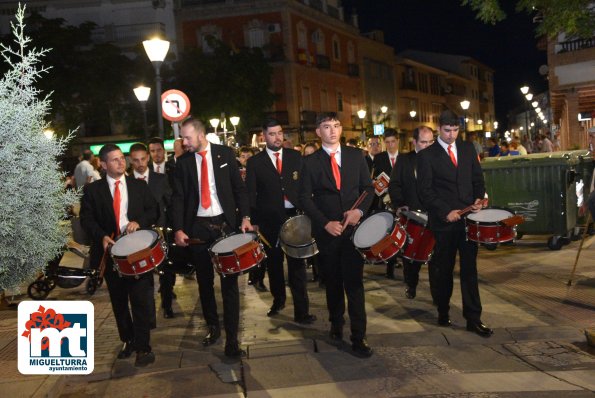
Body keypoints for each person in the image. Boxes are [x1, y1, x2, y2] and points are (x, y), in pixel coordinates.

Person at [171, 117, 253, 358]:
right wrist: (178, 228)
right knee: (204, 282)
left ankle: (232, 340)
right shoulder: (183, 162)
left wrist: (245, 217)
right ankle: (213, 327)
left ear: (200, 134)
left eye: (186, 137)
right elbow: (178, 198)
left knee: (229, 283)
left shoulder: (225, 154)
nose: (184, 142)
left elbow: (239, 189)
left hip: (225, 224)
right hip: (197, 228)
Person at [299, 112, 374, 357]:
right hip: (328, 232)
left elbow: (368, 189)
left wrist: (359, 212)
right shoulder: (310, 162)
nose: (332, 130)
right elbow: (304, 199)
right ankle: (335, 323)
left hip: (353, 231)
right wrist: (324, 224)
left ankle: (359, 336)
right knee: (332, 282)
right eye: (326, 127)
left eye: (336, 126)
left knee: (354, 283)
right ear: (318, 132)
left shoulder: (355, 156)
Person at [80, 144, 159, 367]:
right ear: (103, 165)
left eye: (121, 159)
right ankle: (128, 340)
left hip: (136, 250)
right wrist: (102, 236)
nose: (120, 162)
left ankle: (144, 347)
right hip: (110, 252)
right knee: (119, 301)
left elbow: (154, 210)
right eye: (114, 160)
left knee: (141, 298)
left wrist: (139, 222)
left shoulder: (138, 186)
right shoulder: (93, 191)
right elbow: (87, 219)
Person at [417, 110, 493, 337]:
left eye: (455, 130)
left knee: (470, 270)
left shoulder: (468, 149)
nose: (451, 135)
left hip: (468, 220)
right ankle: (442, 309)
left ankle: (474, 318)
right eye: (447, 130)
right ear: (439, 129)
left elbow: (477, 179)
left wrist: (479, 199)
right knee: (444, 270)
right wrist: (444, 211)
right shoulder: (426, 155)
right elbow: (425, 191)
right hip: (444, 222)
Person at [246, 118, 316, 324]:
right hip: (269, 221)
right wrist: (254, 220)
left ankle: (302, 311)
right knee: (274, 264)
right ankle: (278, 300)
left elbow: (305, 187)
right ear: (263, 136)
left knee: (297, 265)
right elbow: (251, 194)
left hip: (294, 217)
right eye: (272, 134)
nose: (277, 138)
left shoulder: (296, 157)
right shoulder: (255, 163)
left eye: (279, 133)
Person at [388, 126, 436, 300]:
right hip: (413, 215)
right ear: (414, 142)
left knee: (435, 258)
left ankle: (437, 294)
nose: (428, 145)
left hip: (435, 215)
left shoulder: (438, 159)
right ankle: (411, 284)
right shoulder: (405, 160)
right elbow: (394, 184)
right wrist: (400, 204)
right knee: (412, 256)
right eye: (424, 142)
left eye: (431, 141)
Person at [129, 143, 175, 319]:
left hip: (161, 232)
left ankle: (167, 303)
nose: (140, 163)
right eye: (135, 160)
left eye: (142, 159)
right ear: (131, 161)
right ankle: (147, 310)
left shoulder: (160, 179)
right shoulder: (127, 181)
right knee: (143, 274)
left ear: (147, 158)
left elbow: (170, 203)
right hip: (138, 235)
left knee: (166, 270)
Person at [371, 128, 400, 279]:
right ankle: (390, 264)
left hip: (401, 201)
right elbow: (375, 179)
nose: (390, 145)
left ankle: (402, 261)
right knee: (387, 232)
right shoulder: (379, 158)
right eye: (387, 142)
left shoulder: (405, 158)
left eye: (393, 142)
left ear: (398, 141)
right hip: (385, 201)